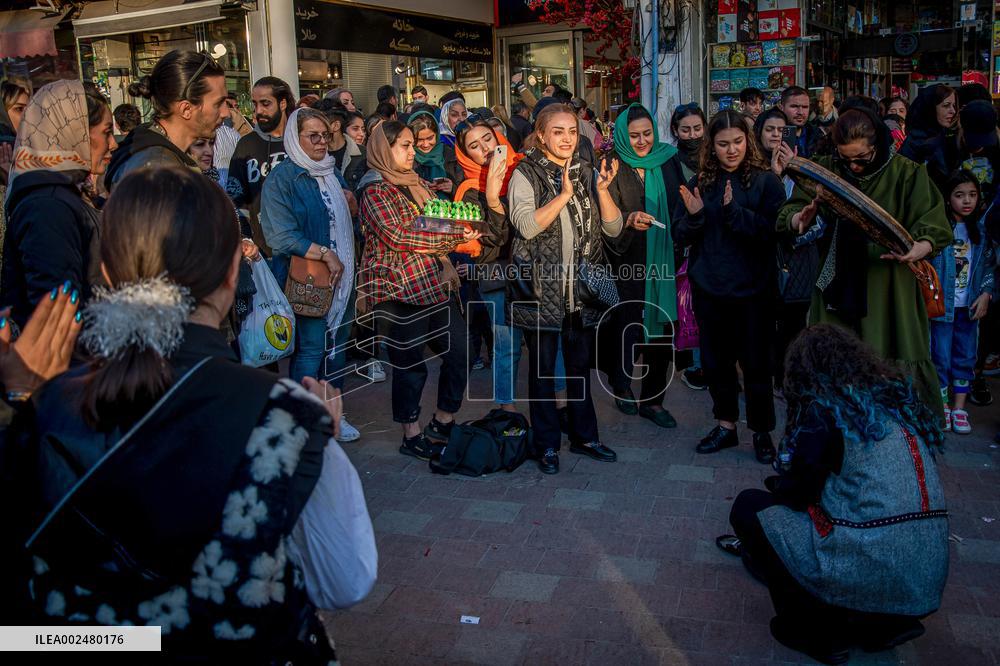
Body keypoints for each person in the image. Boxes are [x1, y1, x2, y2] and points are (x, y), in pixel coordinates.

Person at [25, 167, 376, 661]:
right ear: (233, 272)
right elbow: (345, 580)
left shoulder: (43, 403)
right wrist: (321, 442)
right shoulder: (284, 415)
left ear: (106, 273)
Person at [723, 324, 947, 664]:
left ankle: (813, 633)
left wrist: (781, 485)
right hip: (925, 578)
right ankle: (878, 627)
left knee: (750, 508)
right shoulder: (896, 402)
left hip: (871, 567)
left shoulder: (827, 410)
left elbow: (797, 494)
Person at [778, 108, 954, 418]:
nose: (854, 167)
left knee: (889, 360)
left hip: (889, 283)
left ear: (879, 145)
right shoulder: (828, 169)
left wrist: (918, 247)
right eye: (847, 159)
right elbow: (790, 213)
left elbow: (935, 225)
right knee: (833, 361)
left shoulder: (907, 173)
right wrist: (799, 219)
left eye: (863, 158)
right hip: (837, 280)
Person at [507, 103, 623, 474]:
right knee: (542, 373)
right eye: (558, 132)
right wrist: (562, 195)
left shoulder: (587, 171)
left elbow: (614, 230)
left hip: (581, 289)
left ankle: (585, 437)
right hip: (541, 290)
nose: (567, 139)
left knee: (579, 368)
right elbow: (526, 226)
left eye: (572, 132)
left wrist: (602, 191)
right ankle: (546, 445)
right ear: (541, 135)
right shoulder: (525, 173)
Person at [357, 121, 479, 460]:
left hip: (433, 283)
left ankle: (443, 420)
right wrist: (455, 237)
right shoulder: (375, 190)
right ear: (384, 149)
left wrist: (458, 224)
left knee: (461, 351)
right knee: (410, 367)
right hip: (398, 289)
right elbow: (400, 235)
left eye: (413, 145)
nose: (413, 152)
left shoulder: (415, 183)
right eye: (404, 146)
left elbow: (432, 221)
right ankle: (410, 434)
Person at [673, 109, 783, 463]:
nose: (731, 150)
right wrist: (694, 216)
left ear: (747, 142)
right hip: (711, 288)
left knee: (756, 365)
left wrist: (737, 213)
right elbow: (681, 234)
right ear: (712, 146)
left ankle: (762, 431)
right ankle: (726, 425)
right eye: (723, 144)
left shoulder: (766, 182)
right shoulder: (702, 182)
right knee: (716, 364)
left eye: (737, 142)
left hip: (754, 291)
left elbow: (774, 232)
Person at [260, 108, 361, 442]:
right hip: (307, 280)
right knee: (311, 350)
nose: (321, 142)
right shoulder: (284, 178)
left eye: (325, 136)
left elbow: (344, 221)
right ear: (294, 137)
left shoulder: (333, 173)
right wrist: (323, 252)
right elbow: (278, 235)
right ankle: (303, 422)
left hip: (343, 279)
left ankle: (334, 415)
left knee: (338, 349)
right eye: (312, 136)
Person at [596, 103, 685, 428]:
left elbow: (681, 204)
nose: (643, 140)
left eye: (647, 133)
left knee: (661, 327)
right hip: (627, 261)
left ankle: (653, 400)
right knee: (628, 325)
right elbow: (603, 217)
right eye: (634, 135)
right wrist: (628, 219)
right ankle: (621, 385)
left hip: (664, 259)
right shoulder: (611, 164)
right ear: (622, 135)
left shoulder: (668, 158)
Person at [1, 80, 115, 329]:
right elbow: (56, 312)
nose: (113, 143)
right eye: (106, 132)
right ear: (76, 132)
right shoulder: (47, 206)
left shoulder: (65, 193)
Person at [453, 121, 524, 412]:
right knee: (508, 346)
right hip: (495, 274)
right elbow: (493, 240)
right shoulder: (470, 190)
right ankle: (507, 411)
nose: (485, 149)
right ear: (464, 154)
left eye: (488, 139)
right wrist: (493, 197)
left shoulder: (522, 168)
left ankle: (559, 407)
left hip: (535, 269)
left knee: (549, 341)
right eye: (474, 145)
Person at [930, 170, 995, 434]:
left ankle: (959, 408)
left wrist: (986, 294)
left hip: (969, 308)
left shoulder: (980, 231)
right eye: (959, 195)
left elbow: (989, 266)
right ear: (948, 199)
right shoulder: (939, 229)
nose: (966, 201)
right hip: (943, 308)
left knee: (965, 356)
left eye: (971, 195)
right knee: (940, 356)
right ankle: (943, 405)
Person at [105, 50, 228, 188]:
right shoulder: (161, 171)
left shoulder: (157, 154)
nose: (226, 113)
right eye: (218, 103)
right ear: (186, 109)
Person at [228, 76, 295, 257]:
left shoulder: (299, 142)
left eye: (266, 103)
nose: (259, 111)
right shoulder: (246, 145)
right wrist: (246, 239)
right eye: (255, 104)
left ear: (282, 103)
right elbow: (236, 199)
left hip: (304, 250)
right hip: (264, 253)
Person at [668, 102, 709, 391]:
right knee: (689, 304)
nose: (692, 134)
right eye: (686, 129)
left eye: (697, 128)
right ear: (675, 131)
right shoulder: (670, 161)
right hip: (684, 241)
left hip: (713, 242)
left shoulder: (715, 156)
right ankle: (695, 365)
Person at [314, 101, 369, 193]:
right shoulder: (313, 154)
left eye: (319, 124)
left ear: (336, 126)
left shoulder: (364, 154)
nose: (314, 129)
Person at [899, 84, 957, 165]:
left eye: (954, 106)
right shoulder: (915, 145)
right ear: (930, 109)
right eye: (946, 105)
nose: (953, 111)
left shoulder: (945, 135)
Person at [408, 110, 462, 195]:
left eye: (430, 138)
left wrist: (453, 188)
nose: (425, 145)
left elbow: (466, 192)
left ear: (437, 135)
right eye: (419, 140)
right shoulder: (407, 159)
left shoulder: (450, 155)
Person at [779, 86, 819, 158]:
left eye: (805, 107)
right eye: (794, 106)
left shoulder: (818, 134)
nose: (800, 112)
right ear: (782, 108)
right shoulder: (774, 136)